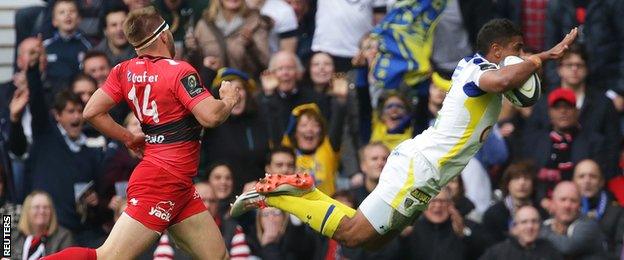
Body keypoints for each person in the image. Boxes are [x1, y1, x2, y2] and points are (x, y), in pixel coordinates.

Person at [232, 19, 579, 248]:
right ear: (498, 51)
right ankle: (274, 196)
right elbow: (503, 79)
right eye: (517, 48)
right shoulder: (481, 73)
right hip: (421, 168)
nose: (521, 55)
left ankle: (306, 190)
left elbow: (509, 81)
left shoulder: (475, 66)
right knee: (354, 235)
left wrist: (536, 59)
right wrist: (540, 59)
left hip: (424, 170)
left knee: (372, 240)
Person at [43, 6, 240, 259]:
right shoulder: (179, 70)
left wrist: (129, 137)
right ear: (164, 36)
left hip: (178, 184)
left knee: (218, 257)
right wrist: (229, 100)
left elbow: (91, 111)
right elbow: (211, 116)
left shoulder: (123, 70)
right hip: (161, 181)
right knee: (106, 256)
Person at [540, 181, 608, 259]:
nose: (567, 205)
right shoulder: (547, 223)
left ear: (580, 204)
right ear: (553, 202)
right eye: (563, 200)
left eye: (573, 201)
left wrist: (540, 232)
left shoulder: (589, 225)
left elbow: (567, 248)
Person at [572, 159, 624, 259]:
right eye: (581, 176)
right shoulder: (566, 209)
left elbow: (620, 248)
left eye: (593, 176)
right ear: (573, 181)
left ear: (601, 182)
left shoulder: (617, 212)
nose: (587, 181)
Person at [480, 205, 563, 260]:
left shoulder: (550, 251)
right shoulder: (498, 253)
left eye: (534, 221)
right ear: (515, 227)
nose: (530, 226)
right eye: (524, 222)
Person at [13, 191, 74, 259]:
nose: (42, 211)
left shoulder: (64, 236)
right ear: (27, 211)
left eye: (46, 207)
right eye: (36, 207)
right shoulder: (14, 235)